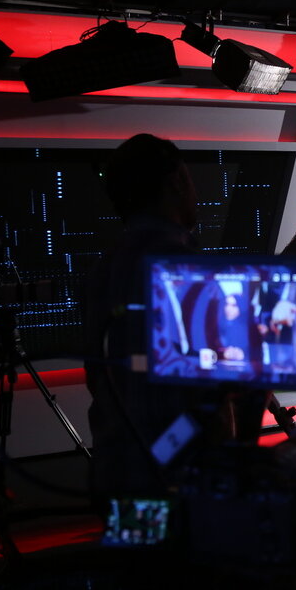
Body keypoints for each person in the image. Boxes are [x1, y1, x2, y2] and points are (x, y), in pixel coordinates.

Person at [84, 132, 201, 498]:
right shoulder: (187, 266)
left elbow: (97, 378)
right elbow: (212, 397)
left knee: (136, 538)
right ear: (176, 181)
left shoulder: (102, 269)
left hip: (116, 475)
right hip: (178, 481)